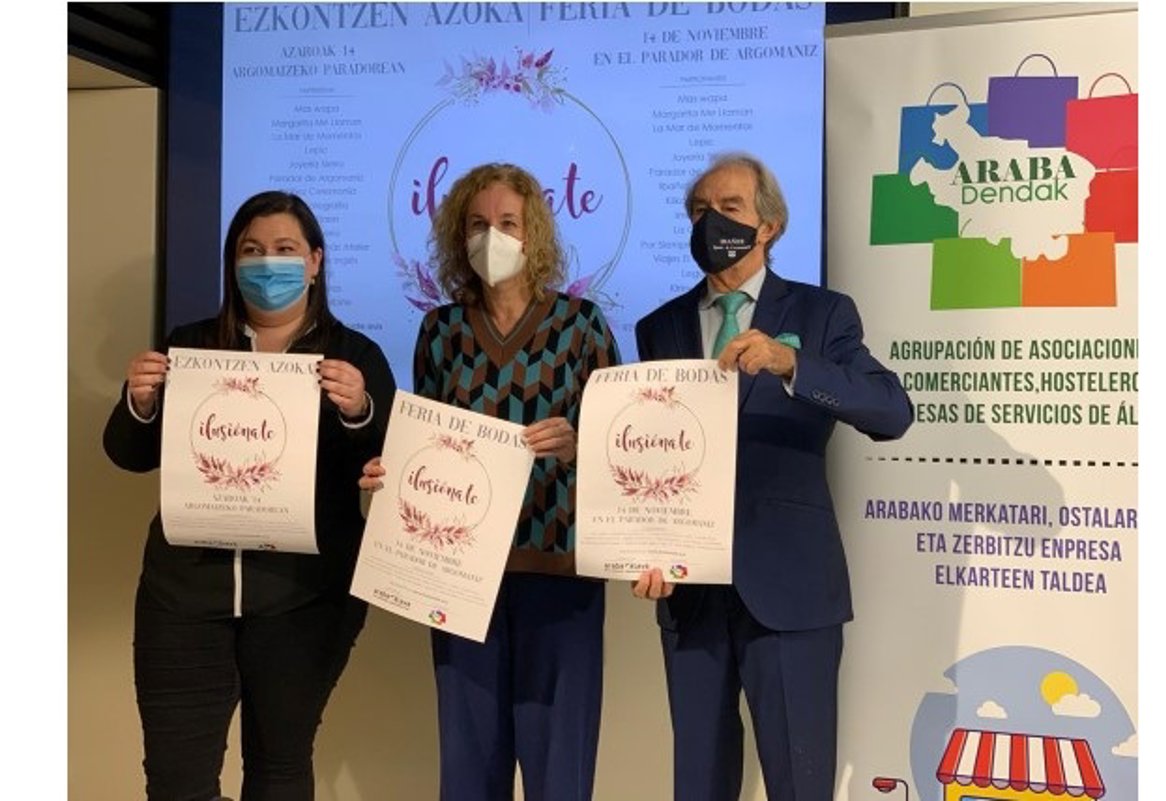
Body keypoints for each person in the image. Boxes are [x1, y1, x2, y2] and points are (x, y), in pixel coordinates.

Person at [631, 153, 914, 801]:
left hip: (791, 588)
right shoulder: (660, 327)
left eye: (729, 208)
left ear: (769, 226)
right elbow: (651, 451)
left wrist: (792, 364)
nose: (711, 222)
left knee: (799, 782)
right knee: (697, 783)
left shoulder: (822, 314)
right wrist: (644, 544)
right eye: (700, 211)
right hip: (690, 594)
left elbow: (891, 412)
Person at [104, 190, 396, 801]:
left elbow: (383, 466)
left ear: (314, 261)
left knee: (280, 770)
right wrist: (141, 401)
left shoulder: (354, 356)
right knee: (177, 782)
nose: (267, 264)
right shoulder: (189, 347)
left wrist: (360, 411)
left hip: (304, 601)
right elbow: (130, 454)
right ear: (232, 263)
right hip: (182, 599)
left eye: (285, 249)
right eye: (251, 250)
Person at [361, 162, 620, 801]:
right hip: (459, 575)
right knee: (469, 764)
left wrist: (579, 444)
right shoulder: (441, 331)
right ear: (459, 237)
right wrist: (392, 478)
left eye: (508, 223)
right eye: (477, 224)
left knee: (560, 768)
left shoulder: (582, 326)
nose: (492, 237)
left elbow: (619, 450)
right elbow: (426, 447)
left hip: (560, 572)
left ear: (535, 235)